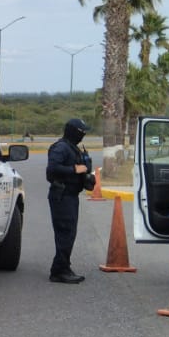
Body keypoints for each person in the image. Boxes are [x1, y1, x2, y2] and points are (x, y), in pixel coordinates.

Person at [46, 117, 94, 284]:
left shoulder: (73, 148)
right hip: (62, 196)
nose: (83, 135)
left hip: (71, 195)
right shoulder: (61, 147)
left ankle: (64, 267)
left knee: (69, 233)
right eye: (82, 132)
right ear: (73, 132)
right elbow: (52, 168)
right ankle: (59, 271)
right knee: (65, 233)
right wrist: (74, 169)